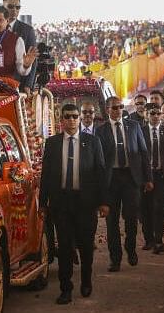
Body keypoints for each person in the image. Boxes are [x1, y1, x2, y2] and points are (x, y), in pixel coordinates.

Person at [39, 103, 108, 303]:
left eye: (75, 117)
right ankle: (65, 288)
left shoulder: (92, 142)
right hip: (61, 204)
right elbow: (46, 175)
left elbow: (101, 173)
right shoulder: (52, 143)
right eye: (67, 117)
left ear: (79, 119)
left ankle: (86, 281)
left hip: (86, 204)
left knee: (86, 246)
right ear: (61, 120)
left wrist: (104, 202)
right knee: (65, 247)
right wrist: (43, 203)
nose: (71, 120)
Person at [96, 96, 152, 273]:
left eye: (120, 107)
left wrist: (148, 178)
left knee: (131, 217)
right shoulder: (101, 131)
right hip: (110, 179)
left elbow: (144, 153)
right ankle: (115, 258)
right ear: (107, 110)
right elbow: (98, 161)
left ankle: (131, 248)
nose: (118, 110)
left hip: (131, 178)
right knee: (112, 221)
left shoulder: (133, 126)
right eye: (114, 107)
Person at [140, 103, 164, 254]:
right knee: (146, 208)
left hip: (163, 176)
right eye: (152, 113)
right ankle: (148, 239)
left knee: (160, 208)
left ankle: (158, 239)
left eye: (157, 113)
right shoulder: (140, 132)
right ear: (146, 115)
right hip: (145, 176)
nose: (155, 116)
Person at [0, 6, 37, 79]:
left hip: (7, 85)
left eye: (0, 20)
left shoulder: (17, 40)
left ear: (7, 21)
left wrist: (26, 65)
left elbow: (22, 71)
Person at [3, 0, 37, 94]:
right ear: (3, 7)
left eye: (17, 7)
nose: (14, 10)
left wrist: (28, 85)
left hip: (18, 83)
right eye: (10, 6)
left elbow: (33, 59)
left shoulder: (27, 30)